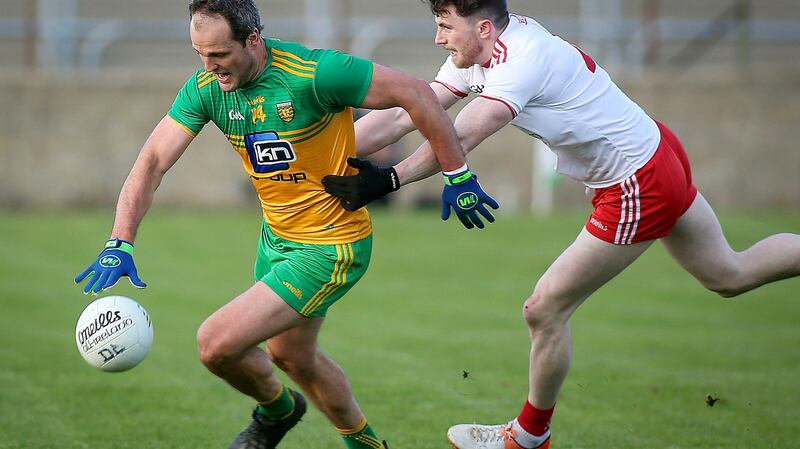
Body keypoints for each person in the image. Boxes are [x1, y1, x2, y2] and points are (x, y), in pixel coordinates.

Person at [321, 1, 800, 448]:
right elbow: (406, 117)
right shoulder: (478, 52)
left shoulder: (522, 58)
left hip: (637, 184)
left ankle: (528, 437)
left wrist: (390, 179)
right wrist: (315, 154)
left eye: (445, 26)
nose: (438, 38)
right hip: (654, 152)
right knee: (728, 274)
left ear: (482, 27)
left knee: (543, 309)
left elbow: (460, 136)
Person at [73, 1, 498, 448]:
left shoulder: (315, 73)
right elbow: (153, 161)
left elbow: (417, 94)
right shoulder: (207, 88)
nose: (209, 66)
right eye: (200, 54)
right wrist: (120, 241)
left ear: (253, 40)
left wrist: (457, 173)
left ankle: (275, 412)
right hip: (277, 239)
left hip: (331, 245)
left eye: (219, 54)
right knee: (293, 358)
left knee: (215, 344)